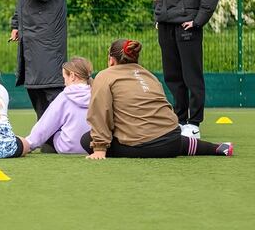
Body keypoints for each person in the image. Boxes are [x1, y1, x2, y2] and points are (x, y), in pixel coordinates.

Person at [82, 39, 232, 159]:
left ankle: (209, 147)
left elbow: (100, 113)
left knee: (85, 139)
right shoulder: (148, 74)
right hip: (172, 139)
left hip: (145, 145)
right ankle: (217, 148)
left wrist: (100, 148)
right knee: (174, 142)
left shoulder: (104, 75)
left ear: (111, 60)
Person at [153, 0, 220, 139]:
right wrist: (158, 18)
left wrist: (198, 20)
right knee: (173, 77)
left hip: (187, 28)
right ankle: (179, 120)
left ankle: (194, 123)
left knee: (191, 76)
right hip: (166, 27)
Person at [25, 57, 92, 154]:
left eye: (65, 78)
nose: (64, 83)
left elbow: (45, 126)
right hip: (92, 147)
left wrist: (28, 144)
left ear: (72, 76)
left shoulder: (65, 97)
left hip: (67, 148)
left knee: (50, 131)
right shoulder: (96, 95)